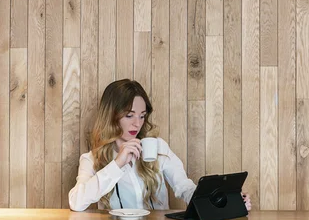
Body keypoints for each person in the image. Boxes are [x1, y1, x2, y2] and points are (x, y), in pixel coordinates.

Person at [69, 78, 252, 212]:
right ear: (111, 115)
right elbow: (76, 202)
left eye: (142, 116)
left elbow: (185, 188)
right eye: (129, 115)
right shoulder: (91, 159)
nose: (137, 124)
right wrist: (117, 164)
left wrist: (226, 201)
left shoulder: (158, 147)